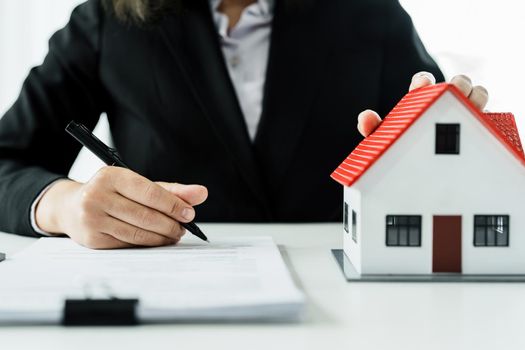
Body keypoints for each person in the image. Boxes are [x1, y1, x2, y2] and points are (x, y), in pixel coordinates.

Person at [0, 0, 488, 249]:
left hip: (347, 303)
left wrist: (461, 138)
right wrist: (63, 207)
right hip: (171, 296)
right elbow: (8, 158)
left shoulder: (370, 13)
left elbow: (444, 170)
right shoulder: (106, 21)